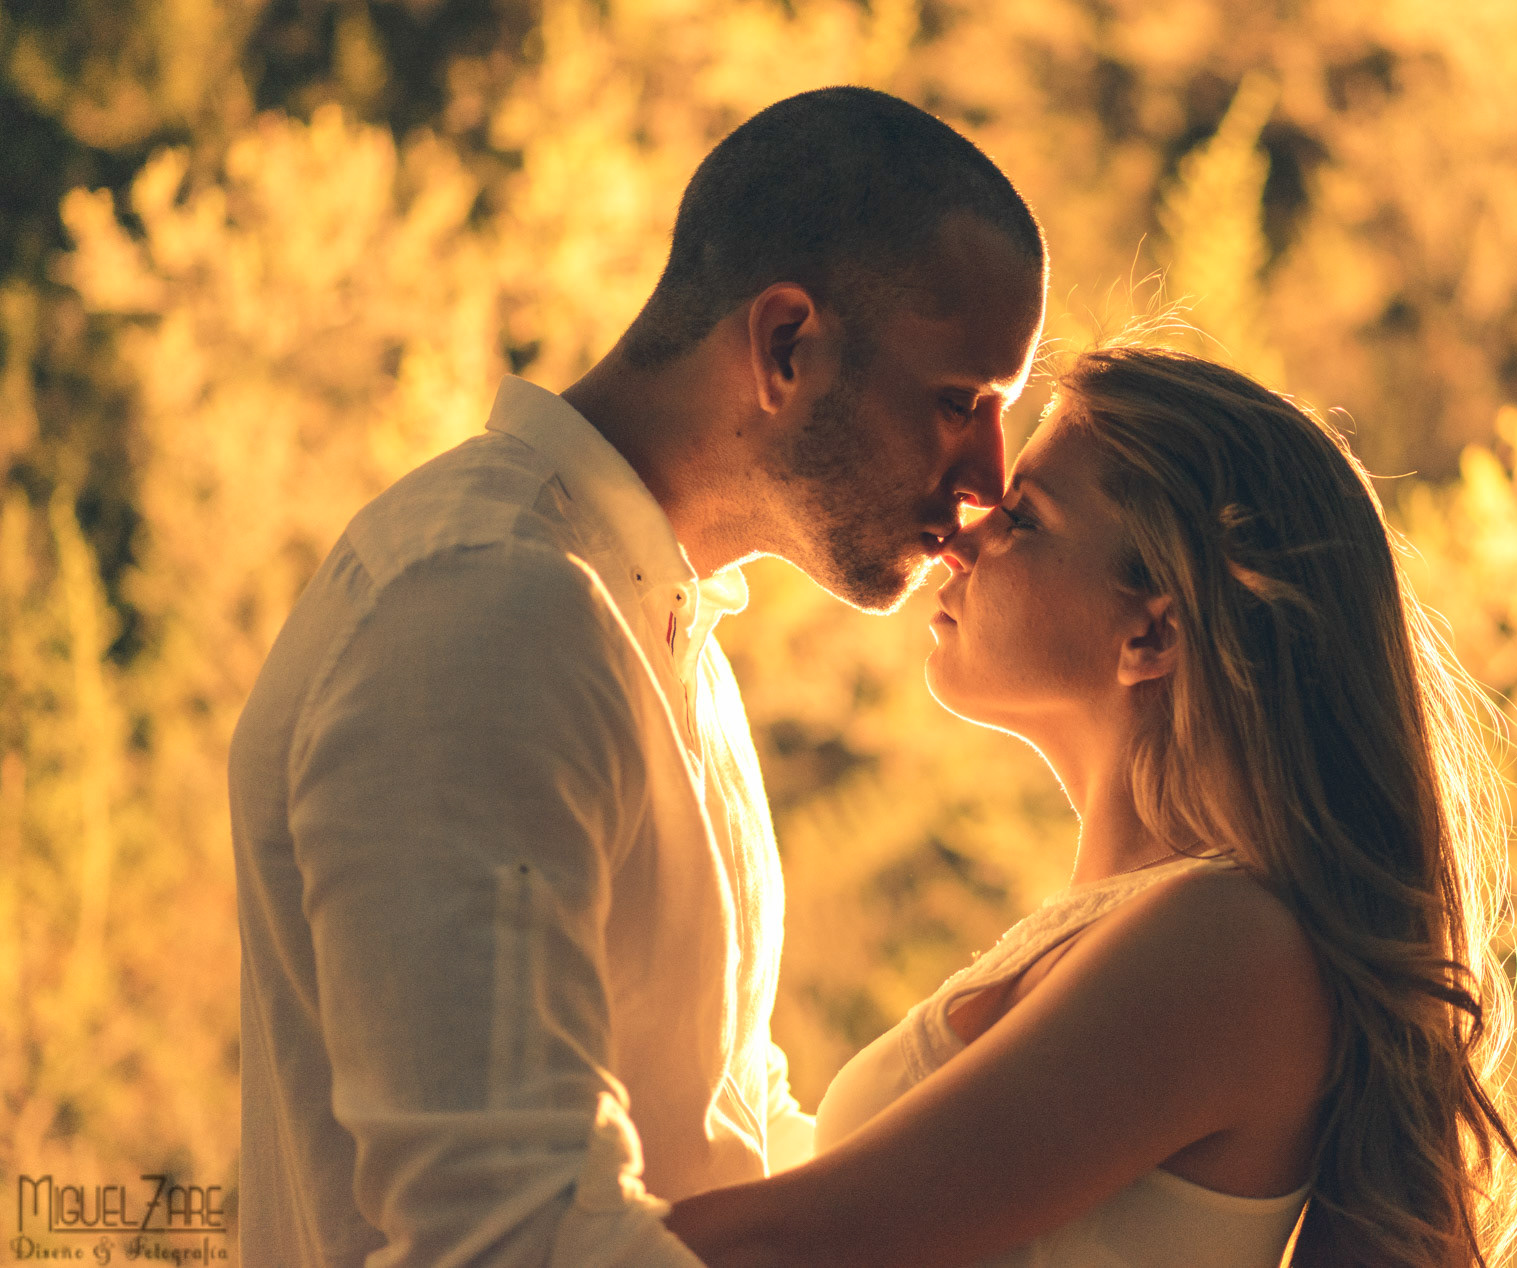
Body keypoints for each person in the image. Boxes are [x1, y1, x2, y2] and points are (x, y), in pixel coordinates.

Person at [226, 86, 1046, 1264]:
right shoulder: (490, 610)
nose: (987, 477)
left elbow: (724, 1128)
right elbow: (511, 1234)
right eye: (960, 401)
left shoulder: (654, 622)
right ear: (784, 346)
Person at [661, 345, 1517, 1267]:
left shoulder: (1227, 946)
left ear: (1151, 631)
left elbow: (800, 1242)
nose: (959, 540)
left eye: (1025, 519)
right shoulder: (1148, 932)